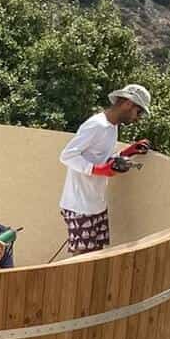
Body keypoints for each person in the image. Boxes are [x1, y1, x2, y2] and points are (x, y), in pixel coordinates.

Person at [58, 84, 152, 255]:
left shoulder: (112, 126)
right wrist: (99, 170)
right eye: (138, 112)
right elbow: (67, 155)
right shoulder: (97, 125)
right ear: (128, 103)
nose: (138, 118)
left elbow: (103, 159)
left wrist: (127, 152)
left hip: (96, 204)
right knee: (83, 262)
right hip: (80, 207)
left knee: (96, 258)